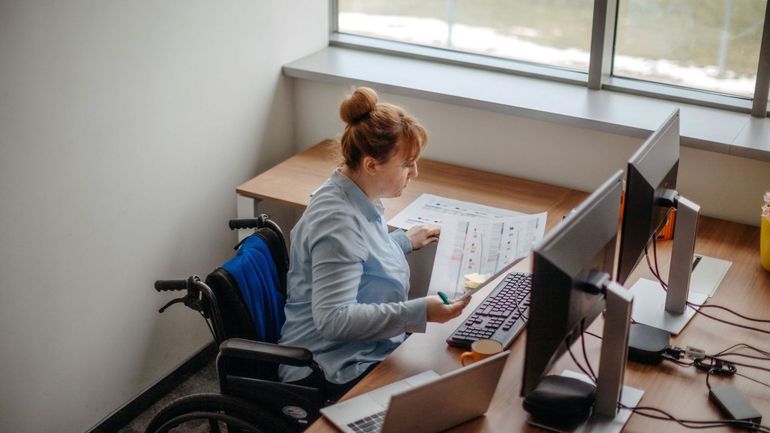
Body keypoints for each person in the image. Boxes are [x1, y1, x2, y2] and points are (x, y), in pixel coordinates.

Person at [278, 87, 471, 400]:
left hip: (366, 347)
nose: (415, 172)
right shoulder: (336, 223)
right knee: (446, 385)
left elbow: (360, 259)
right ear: (371, 164)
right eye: (407, 164)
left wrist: (403, 241)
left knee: (449, 366)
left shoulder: (355, 193)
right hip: (333, 366)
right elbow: (334, 320)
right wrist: (420, 312)